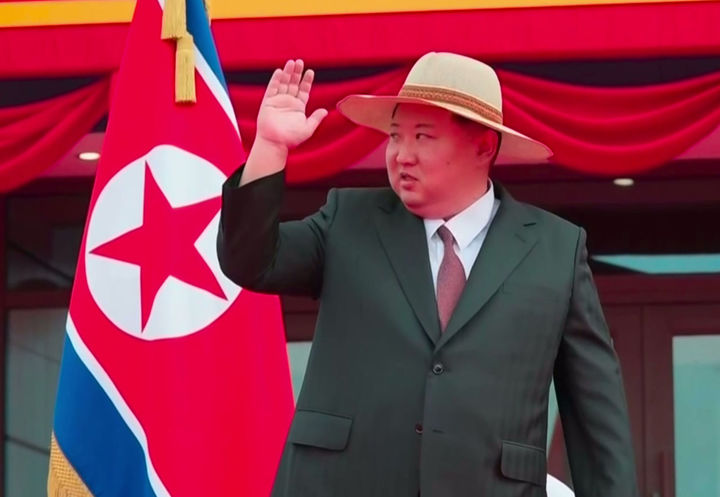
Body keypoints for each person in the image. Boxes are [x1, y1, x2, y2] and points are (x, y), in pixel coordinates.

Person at [217, 52, 639, 497]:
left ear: (484, 146)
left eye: (422, 136)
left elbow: (596, 413)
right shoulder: (349, 220)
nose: (402, 155)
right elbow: (250, 260)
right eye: (395, 136)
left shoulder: (555, 249)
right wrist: (270, 147)